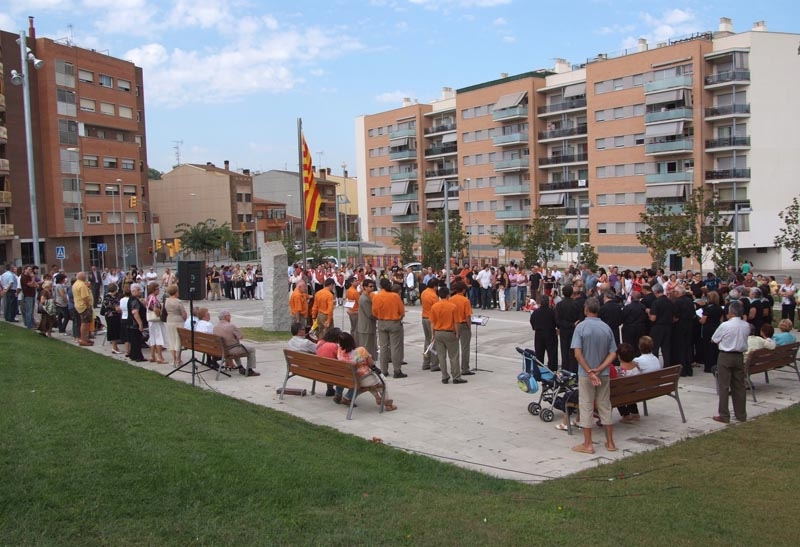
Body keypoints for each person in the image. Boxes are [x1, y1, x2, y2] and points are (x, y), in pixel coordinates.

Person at [571, 297, 618, 454]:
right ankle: (610, 442)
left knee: (586, 405)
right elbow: (613, 353)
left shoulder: (581, 327)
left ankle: (588, 444)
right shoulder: (606, 328)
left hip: (586, 374)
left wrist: (590, 371)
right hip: (602, 373)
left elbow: (577, 353)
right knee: (605, 405)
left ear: (586, 310)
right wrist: (599, 369)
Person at [711, 300, 751, 424]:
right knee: (739, 386)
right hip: (739, 356)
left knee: (724, 386)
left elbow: (714, 339)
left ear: (731, 312)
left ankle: (724, 414)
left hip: (726, 355)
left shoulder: (725, 325)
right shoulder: (746, 325)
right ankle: (741, 414)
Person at [337, 331, 397, 411]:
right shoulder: (360, 351)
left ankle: (376, 397)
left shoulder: (340, 351)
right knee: (382, 381)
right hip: (362, 378)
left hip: (350, 378)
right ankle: (387, 404)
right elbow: (371, 363)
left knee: (372, 380)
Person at [372, 277, 407, 378]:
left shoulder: (376, 297)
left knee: (383, 347)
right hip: (394, 322)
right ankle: (397, 370)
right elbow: (402, 311)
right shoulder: (395, 296)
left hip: (382, 322)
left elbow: (374, 312)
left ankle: (384, 370)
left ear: (380, 286)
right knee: (395, 347)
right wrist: (398, 317)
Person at [431, 286, 465, 385]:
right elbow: (456, 322)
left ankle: (444, 376)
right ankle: (456, 377)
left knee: (441, 356)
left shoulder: (435, 306)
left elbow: (432, 322)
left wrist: (433, 334)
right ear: (448, 295)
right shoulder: (452, 306)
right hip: (449, 332)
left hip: (438, 332)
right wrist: (457, 333)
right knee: (453, 355)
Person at [213, 310, 260, 376]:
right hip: (231, 350)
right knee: (251, 349)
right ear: (226, 317)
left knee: (236, 346)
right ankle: (250, 369)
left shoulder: (216, 327)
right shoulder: (230, 326)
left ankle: (240, 367)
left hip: (222, 350)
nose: (230, 317)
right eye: (229, 316)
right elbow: (240, 336)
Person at [451, 280, 475, 377]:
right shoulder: (465, 300)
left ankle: (454, 368)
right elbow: (468, 316)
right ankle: (465, 368)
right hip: (464, 325)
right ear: (464, 290)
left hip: (454, 325)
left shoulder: (451, 299)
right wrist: (469, 327)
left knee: (454, 349)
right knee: (465, 348)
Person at [555, 285, 581, 373]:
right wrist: (572, 324)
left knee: (564, 350)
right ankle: (573, 370)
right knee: (574, 350)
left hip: (563, 330)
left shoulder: (559, 305)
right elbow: (579, 318)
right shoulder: (576, 304)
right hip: (574, 330)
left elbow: (558, 320)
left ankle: (565, 369)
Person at [529, 294, 558, 372]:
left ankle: (539, 368)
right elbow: (556, 322)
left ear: (540, 303)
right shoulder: (552, 312)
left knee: (539, 353)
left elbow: (532, 321)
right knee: (552, 353)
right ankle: (552, 369)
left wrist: (535, 327)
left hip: (539, 334)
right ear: (548, 303)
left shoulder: (536, 312)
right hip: (550, 333)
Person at [648, 284, 674, 366]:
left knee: (655, 348)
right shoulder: (670, 301)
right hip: (668, 326)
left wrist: (648, 312)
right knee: (666, 348)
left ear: (655, 292)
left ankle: (655, 366)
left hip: (658, 327)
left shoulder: (656, 302)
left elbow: (653, 318)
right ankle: (667, 366)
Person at [164, 284, 188, 366]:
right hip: (178, 320)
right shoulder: (178, 301)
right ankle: (178, 359)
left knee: (172, 339)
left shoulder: (166, 301)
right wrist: (185, 318)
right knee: (178, 340)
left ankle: (173, 359)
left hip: (170, 319)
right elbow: (183, 313)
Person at [145, 283, 168, 364]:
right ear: (153, 290)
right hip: (156, 321)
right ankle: (160, 357)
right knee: (159, 337)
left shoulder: (148, 298)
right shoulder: (154, 298)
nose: (158, 290)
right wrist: (160, 314)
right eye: (157, 289)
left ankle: (152, 355)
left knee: (153, 337)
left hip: (150, 321)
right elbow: (155, 309)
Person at [420, 278, 440, 372]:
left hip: (424, 318)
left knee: (427, 340)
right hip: (431, 320)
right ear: (435, 286)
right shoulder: (434, 296)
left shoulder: (423, 292)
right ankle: (434, 364)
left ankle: (426, 362)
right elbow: (436, 310)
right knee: (434, 341)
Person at [317, 327, 343, 399]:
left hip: (319, 371)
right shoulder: (334, 346)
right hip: (331, 372)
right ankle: (339, 393)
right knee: (344, 370)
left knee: (328, 366)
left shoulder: (320, 342)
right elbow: (341, 358)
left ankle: (330, 389)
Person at [356, 279, 378, 359]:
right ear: (365, 287)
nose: (372, 288)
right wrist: (379, 316)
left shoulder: (367, 297)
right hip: (366, 327)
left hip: (366, 326)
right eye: (370, 286)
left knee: (369, 347)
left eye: (373, 286)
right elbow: (370, 314)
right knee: (366, 349)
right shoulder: (365, 299)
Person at [72, 271, 94, 346]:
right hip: (84, 306)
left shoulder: (75, 284)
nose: (86, 277)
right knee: (85, 323)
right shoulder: (82, 285)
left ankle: (85, 338)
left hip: (78, 305)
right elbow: (85, 297)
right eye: (85, 276)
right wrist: (88, 305)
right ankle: (83, 339)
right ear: (82, 277)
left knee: (86, 323)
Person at [127, 284, 149, 362]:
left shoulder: (132, 299)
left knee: (134, 340)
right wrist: (140, 323)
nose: (140, 291)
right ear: (133, 291)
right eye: (138, 290)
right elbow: (135, 312)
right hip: (135, 324)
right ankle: (137, 356)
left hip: (132, 323)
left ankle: (133, 355)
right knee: (136, 340)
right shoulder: (134, 301)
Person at [101, 283, 123, 354]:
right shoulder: (113, 298)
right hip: (114, 316)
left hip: (108, 316)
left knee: (111, 330)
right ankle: (114, 347)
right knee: (114, 332)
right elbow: (117, 309)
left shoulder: (106, 297)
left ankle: (115, 347)